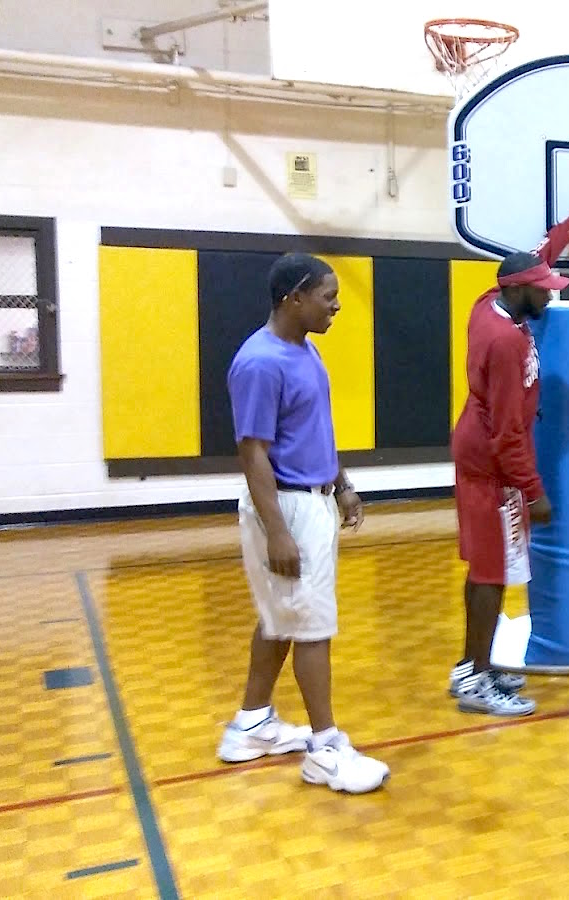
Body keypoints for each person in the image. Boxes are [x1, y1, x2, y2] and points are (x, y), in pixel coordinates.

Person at [216, 253, 389, 795]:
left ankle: (250, 725)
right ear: (294, 298)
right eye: (327, 295)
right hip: (286, 507)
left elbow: (315, 428)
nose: (337, 304)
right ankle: (325, 748)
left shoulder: (306, 350)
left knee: (281, 618)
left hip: (312, 499)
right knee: (311, 626)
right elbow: (254, 454)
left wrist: (342, 484)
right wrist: (279, 531)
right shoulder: (259, 363)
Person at [447, 180, 569, 716]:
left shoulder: (491, 302)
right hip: (491, 468)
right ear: (519, 291)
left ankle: (475, 666)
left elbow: (534, 257)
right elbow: (506, 433)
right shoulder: (507, 341)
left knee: (486, 571)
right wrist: (533, 491)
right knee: (491, 575)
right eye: (543, 289)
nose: (551, 292)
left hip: (484, 460)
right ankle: (475, 681)